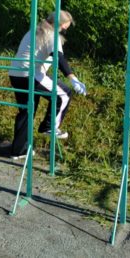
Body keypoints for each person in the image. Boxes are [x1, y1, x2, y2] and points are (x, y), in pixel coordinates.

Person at [8, 10, 87, 159]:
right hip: (29, 74)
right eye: (64, 27)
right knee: (64, 94)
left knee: (27, 111)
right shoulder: (51, 35)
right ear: (58, 24)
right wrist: (73, 78)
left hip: (15, 74)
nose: (64, 30)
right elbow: (59, 58)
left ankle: (18, 150)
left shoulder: (35, 30)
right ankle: (49, 126)